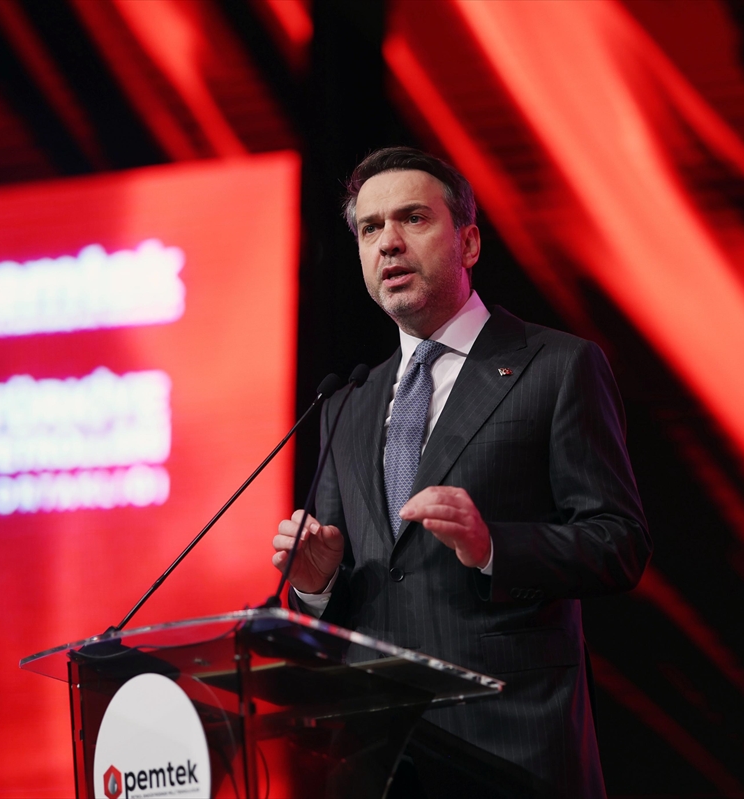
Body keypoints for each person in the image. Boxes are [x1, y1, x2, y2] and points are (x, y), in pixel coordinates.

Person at [271, 147, 650, 797]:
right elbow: (354, 588)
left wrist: (493, 546)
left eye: (413, 218)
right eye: (370, 228)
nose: (388, 242)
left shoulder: (556, 367)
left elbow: (619, 542)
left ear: (469, 242)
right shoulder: (346, 403)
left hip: (510, 749)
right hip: (377, 761)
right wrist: (316, 585)